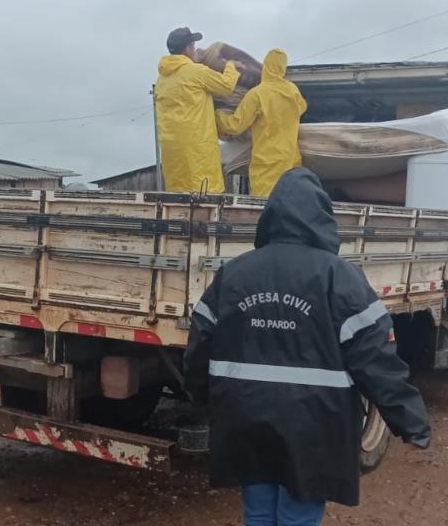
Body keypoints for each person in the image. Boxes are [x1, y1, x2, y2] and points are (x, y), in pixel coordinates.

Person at [183, 167, 430, 526]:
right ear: (321, 218)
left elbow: (199, 342)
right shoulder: (340, 278)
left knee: (258, 509)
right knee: (298, 515)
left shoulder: (233, 274)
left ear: (270, 218)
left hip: (246, 414)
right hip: (315, 423)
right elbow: (374, 358)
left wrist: (201, 395)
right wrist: (410, 421)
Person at [155, 27, 240, 193]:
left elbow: (189, 111)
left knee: (179, 199)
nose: (194, 49)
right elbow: (226, 86)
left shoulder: (162, 80)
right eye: (193, 45)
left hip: (173, 152)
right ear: (187, 49)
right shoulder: (195, 72)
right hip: (197, 150)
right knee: (206, 195)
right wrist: (231, 66)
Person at [215, 48, 306, 197]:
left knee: (265, 208)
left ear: (265, 66)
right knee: (289, 204)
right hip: (291, 160)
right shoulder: (292, 91)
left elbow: (235, 125)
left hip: (266, 164)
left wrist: (217, 114)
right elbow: (302, 107)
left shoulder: (257, 94)